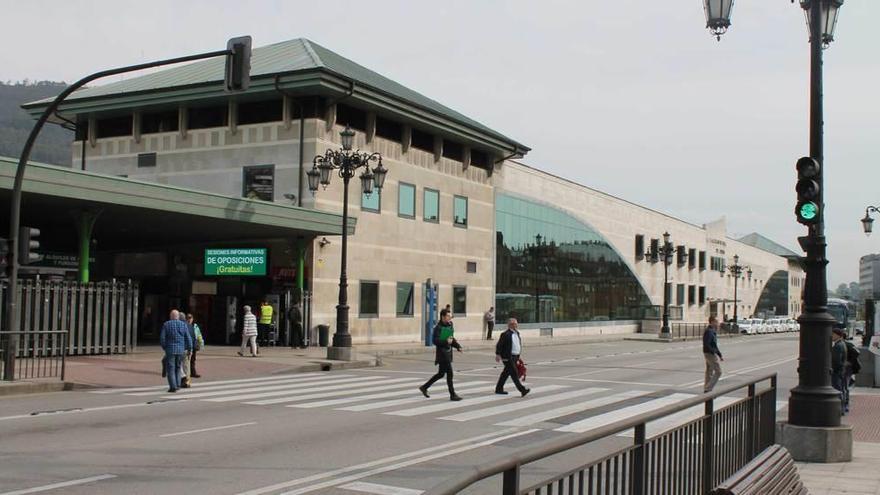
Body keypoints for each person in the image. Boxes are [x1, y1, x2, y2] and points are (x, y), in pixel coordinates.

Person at [419, 309, 462, 401]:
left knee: (441, 374)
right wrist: (445, 341)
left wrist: (457, 346)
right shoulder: (438, 328)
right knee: (450, 373)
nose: (450, 318)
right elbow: (435, 341)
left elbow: (451, 338)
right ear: (443, 317)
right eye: (448, 316)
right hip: (442, 354)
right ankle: (452, 394)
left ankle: (424, 387)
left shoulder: (450, 325)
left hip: (448, 352)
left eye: (450, 316)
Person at [495, 318, 530, 397]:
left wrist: (518, 356)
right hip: (508, 357)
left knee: (505, 373)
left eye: (516, 323)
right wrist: (498, 354)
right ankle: (522, 390)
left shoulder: (517, 333)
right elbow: (499, 345)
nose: (517, 325)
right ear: (510, 325)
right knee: (514, 373)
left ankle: (499, 389)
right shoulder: (505, 334)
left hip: (515, 357)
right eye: (515, 323)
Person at [159, 309, 192, 393]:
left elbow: (162, 338)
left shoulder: (166, 324)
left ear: (171, 316)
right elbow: (188, 338)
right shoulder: (183, 325)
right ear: (178, 317)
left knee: (171, 368)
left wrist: (164, 347)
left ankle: (173, 386)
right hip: (181, 350)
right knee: (178, 367)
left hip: (170, 350)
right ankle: (177, 385)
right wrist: (189, 348)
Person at [703, 316, 724, 393]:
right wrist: (713, 352)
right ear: (712, 322)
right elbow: (707, 344)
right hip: (710, 354)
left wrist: (719, 355)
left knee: (709, 371)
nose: (718, 323)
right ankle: (708, 388)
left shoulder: (712, 331)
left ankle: (706, 388)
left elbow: (714, 344)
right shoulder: (709, 331)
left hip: (709, 353)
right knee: (718, 372)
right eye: (716, 322)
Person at [831, 328, 848, 415]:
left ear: (838, 335)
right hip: (840, 371)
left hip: (837, 372)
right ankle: (842, 408)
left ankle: (840, 409)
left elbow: (836, 361)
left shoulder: (838, 346)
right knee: (841, 389)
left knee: (838, 390)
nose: (832, 336)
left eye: (833, 334)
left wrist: (833, 369)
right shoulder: (842, 344)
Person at [187, 313, 204, 378]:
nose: (189, 319)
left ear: (192, 319)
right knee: (187, 360)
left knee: (193, 359)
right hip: (187, 345)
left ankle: (193, 373)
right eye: (188, 318)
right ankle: (187, 373)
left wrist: (201, 343)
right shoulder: (185, 325)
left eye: (190, 318)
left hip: (193, 345)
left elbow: (199, 335)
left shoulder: (195, 326)